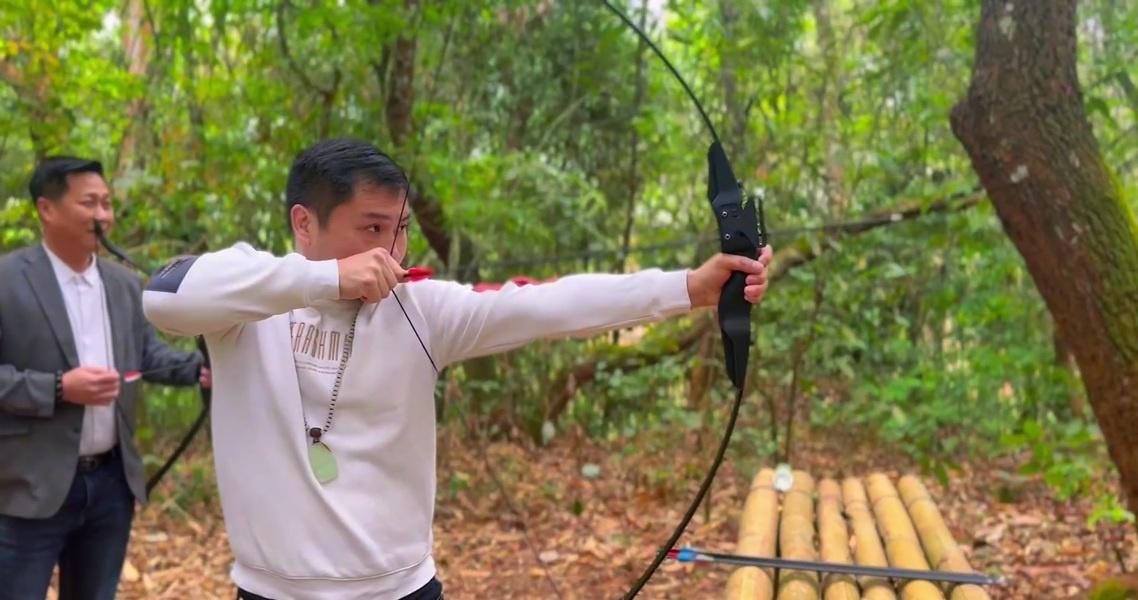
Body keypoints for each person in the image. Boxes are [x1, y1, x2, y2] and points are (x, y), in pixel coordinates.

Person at [142, 138, 772, 600]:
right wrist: (326, 279)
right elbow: (165, 296)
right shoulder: (248, 301)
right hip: (272, 592)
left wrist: (688, 287)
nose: (392, 250)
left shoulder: (423, 310)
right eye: (371, 228)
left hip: (401, 590)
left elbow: (547, 304)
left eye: (400, 229)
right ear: (304, 224)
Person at [0, 156, 212, 600]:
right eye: (89, 203)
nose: (103, 215)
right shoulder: (8, 281)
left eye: (107, 203)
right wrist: (60, 388)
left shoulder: (124, 284)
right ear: (46, 208)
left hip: (111, 487)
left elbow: (147, 355)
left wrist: (200, 370)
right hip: (30, 488)